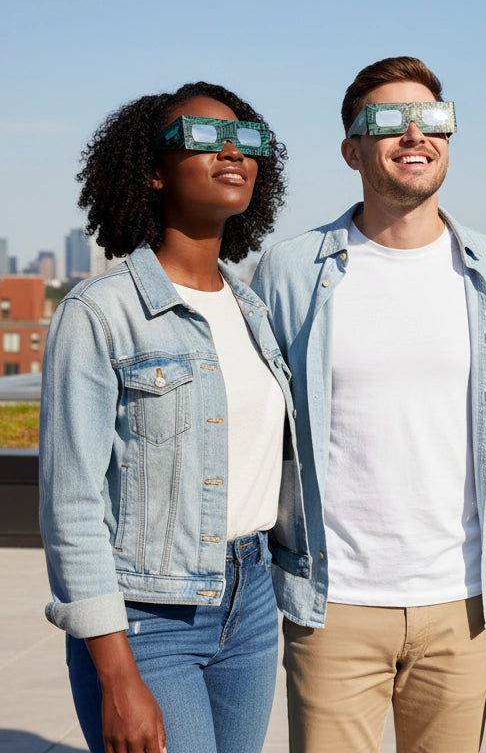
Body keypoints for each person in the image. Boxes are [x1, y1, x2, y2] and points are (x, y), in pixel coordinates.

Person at [251, 56, 486, 753]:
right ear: (352, 150)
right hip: (334, 602)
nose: (415, 135)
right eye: (387, 122)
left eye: (432, 120)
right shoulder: (292, 269)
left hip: (463, 600)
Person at [38, 82, 311, 753]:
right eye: (200, 137)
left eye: (246, 140)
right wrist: (116, 672)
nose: (230, 151)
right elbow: (71, 504)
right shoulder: (100, 313)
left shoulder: (252, 312)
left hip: (248, 604)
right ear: (153, 172)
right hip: (146, 618)